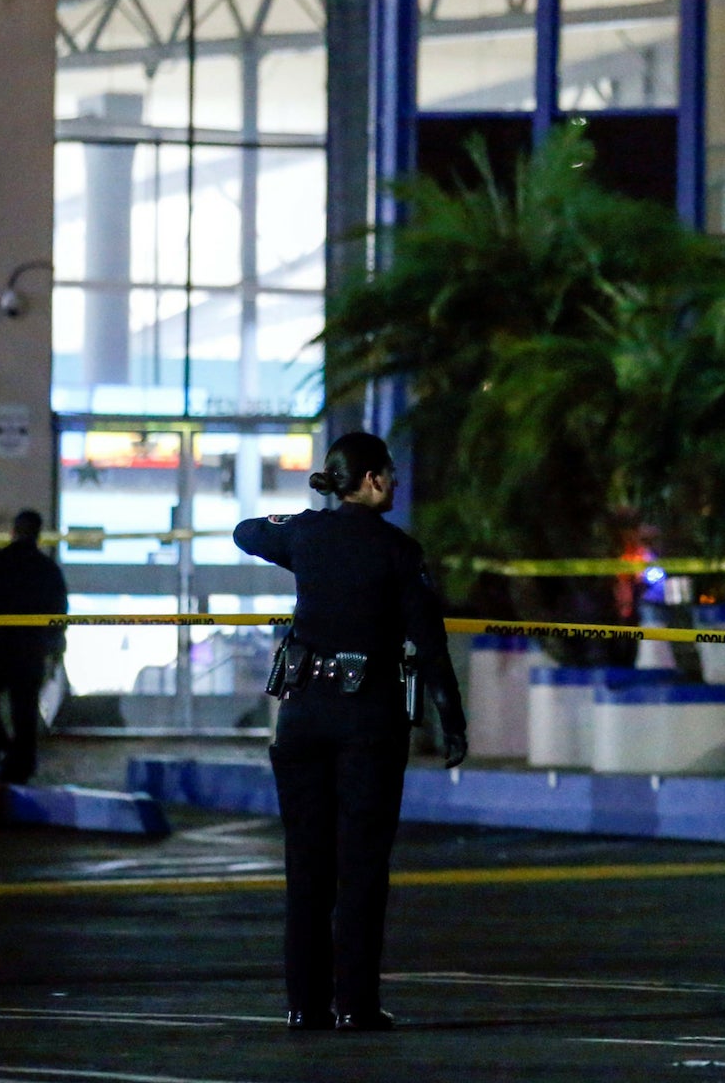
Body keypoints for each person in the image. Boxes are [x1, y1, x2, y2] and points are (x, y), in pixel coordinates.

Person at [233, 432, 467, 1034]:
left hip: (302, 716)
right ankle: (355, 1005)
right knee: (361, 866)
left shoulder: (305, 535)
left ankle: (303, 1004)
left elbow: (247, 531)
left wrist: (293, 519)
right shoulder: (398, 551)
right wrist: (452, 721)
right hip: (368, 721)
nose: (394, 481)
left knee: (305, 864)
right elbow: (432, 645)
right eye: (388, 472)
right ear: (370, 480)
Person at [0, 510, 68, 784]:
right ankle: (21, 763)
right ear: (38, 534)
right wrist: (54, 648)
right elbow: (59, 614)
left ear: (14, 531)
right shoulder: (47, 570)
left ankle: (0, 749)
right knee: (24, 710)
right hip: (29, 650)